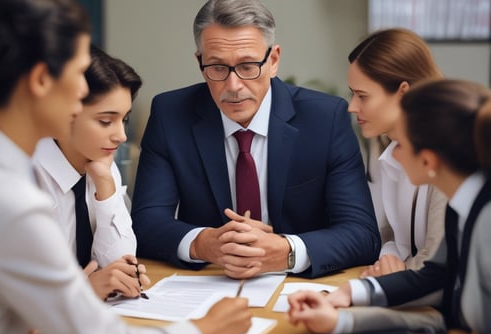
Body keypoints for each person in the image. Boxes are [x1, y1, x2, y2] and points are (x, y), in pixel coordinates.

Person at [0, 0, 251, 334]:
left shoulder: (9, 171)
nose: (85, 90)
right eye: (80, 73)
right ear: (40, 80)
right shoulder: (9, 197)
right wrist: (205, 330)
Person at [131, 0, 380, 280]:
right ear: (200, 62)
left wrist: (288, 250)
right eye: (217, 67)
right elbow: (145, 222)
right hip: (210, 282)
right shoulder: (171, 114)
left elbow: (362, 233)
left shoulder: (324, 118)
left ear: (273, 60)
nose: (234, 86)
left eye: (248, 66)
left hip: (300, 288)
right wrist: (203, 244)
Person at [287, 79, 491, 334]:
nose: (392, 153)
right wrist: (343, 311)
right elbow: (435, 284)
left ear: (428, 162)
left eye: (400, 144)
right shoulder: (463, 207)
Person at [33, 44, 146, 301]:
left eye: (124, 119)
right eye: (106, 121)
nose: (121, 136)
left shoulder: (102, 163)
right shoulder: (19, 177)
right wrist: (84, 291)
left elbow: (120, 261)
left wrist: (105, 185)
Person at [347, 28, 447, 277]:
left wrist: (393, 277)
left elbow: (435, 264)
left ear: (403, 92)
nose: (351, 106)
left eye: (362, 96)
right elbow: (393, 237)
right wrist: (389, 261)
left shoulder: (449, 155)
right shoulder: (389, 151)